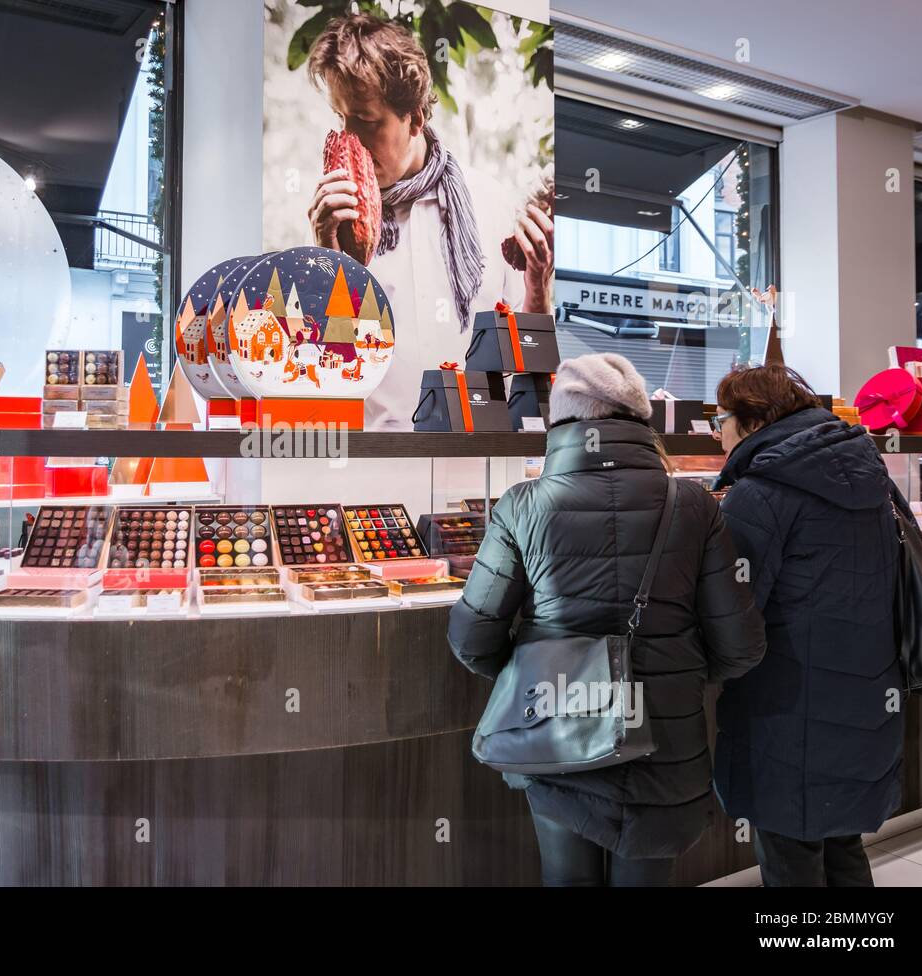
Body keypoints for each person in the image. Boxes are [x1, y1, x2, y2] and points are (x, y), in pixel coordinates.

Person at [447, 353, 766, 886]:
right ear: (640, 421)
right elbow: (741, 645)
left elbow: (472, 637)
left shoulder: (523, 505)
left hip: (556, 733)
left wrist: (533, 667)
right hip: (667, 740)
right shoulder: (694, 505)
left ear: (563, 422)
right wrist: (673, 673)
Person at [304, 14, 553, 430]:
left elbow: (528, 367)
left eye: (365, 121)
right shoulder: (334, 219)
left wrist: (537, 286)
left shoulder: (490, 203)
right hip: (376, 472)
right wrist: (328, 255)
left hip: (482, 472)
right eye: (340, 118)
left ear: (416, 118)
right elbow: (321, 372)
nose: (350, 138)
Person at [711, 364, 904, 887]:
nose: (715, 430)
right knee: (841, 845)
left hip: (787, 711)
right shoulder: (869, 474)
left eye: (720, 418)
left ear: (750, 422)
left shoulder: (761, 493)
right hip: (866, 695)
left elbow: (735, 607)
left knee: (791, 856)